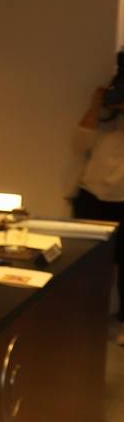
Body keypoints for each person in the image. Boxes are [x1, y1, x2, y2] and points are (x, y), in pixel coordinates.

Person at [72, 82, 124, 336]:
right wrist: (97, 106)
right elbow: (80, 143)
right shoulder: (106, 122)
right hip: (92, 196)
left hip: (122, 198)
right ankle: (86, 315)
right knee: (89, 262)